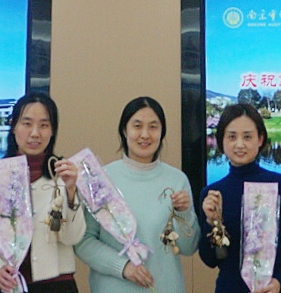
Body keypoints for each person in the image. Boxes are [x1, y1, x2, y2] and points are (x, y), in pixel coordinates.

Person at [75, 96, 201, 293]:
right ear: (124, 131)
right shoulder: (101, 180)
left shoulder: (177, 180)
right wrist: (123, 267)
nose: (145, 134)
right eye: (137, 126)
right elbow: (84, 242)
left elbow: (188, 248)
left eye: (153, 127)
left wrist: (184, 213)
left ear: (162, 132)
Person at [0, 92, 85, 293]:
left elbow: (72, 238)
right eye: (27, 123)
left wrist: (71, 191)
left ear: (52, 131)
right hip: (9, 283)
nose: (35, 133)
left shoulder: (65, 174)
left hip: (58, 284)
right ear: (14, 126)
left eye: (44, 125)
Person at [196, 103, 281, 293]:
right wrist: (211, 222)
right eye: (232, 136)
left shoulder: (280, 185)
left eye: (247, 136)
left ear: (260, 139)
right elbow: (210, 260)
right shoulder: (213, 194)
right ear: (221, 140)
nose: (240, 144)